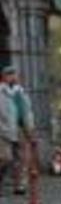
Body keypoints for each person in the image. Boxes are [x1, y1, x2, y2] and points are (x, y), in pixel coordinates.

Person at [0, 61, 34, 197]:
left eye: (14, 74)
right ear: (3, 77)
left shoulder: (21, 92)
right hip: (3, 130)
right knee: (5, 158)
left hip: (20, 128)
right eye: (9, 75)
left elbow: (28, 111)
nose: (12, 77)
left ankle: (19, 185)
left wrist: (30, 127)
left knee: (22, 159)